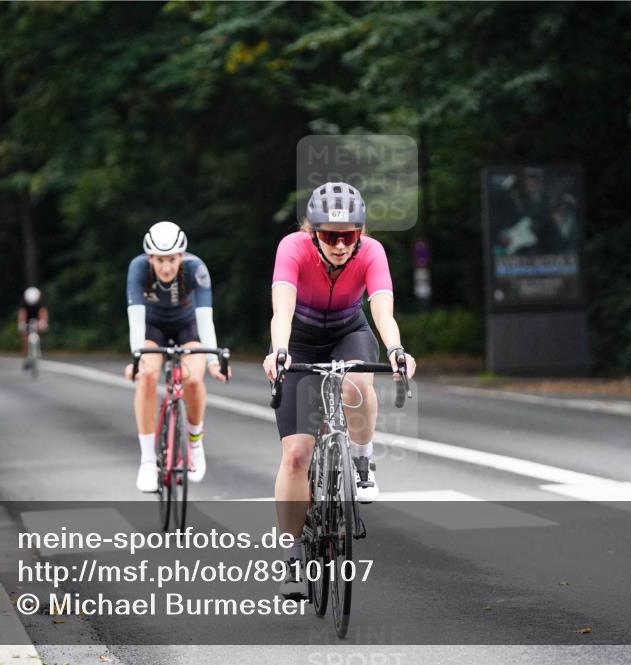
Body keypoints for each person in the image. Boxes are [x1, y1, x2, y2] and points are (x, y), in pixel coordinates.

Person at [262, 182, 416, 599]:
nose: (341, 244)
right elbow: (283, 309)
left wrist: (397, 350)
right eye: (330, 235)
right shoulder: (292, 248)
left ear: (360, 233)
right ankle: (292, 553)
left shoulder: (371, 252)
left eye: (349, 235)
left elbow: (382, 311)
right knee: (295, 454)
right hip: (299, 341)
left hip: (349, 332)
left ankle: (362, 463)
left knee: (358, 381)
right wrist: (278, 351)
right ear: (312, 232)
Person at [123, 221, 229, 492]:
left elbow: (206, 321)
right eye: (160, 260)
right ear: (150, 258)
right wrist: (137, 361)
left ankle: (194, 441)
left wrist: (214, 362)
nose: (166, 267)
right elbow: (136, 321)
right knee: (147, 375)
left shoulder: (197, 268)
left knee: (193, 380)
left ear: (182, 256)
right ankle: (148, 460)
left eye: (172, 259)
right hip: (153, 327)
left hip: (187, 326)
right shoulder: (138, 268)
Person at [17, 286, 49, 367]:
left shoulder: (40, 302)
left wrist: (43, 322)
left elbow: (43, 313)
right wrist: (21, 324)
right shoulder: (24, 303)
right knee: (24, 335)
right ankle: (25, 356)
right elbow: (22, 314)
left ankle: (39, 346)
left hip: (37, 318)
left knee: (41, 329)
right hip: (27, 318)